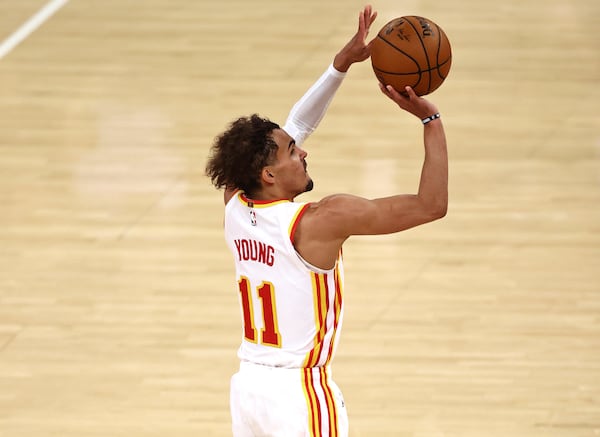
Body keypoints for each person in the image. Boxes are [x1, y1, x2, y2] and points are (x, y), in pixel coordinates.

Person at [205, 5, 448, 436]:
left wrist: (341, 65)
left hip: (248, 389)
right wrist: (431, 121)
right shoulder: (321, 220)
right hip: (298, 393)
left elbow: (297, 124)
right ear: (269, 174)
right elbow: (431, 205)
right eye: (291, 152)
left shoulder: (236, 204)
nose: (303, 150)